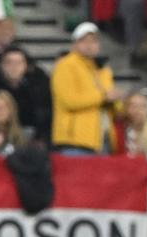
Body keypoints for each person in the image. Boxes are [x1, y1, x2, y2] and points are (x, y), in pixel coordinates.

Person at [51, 22, 122, 154]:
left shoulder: (102, 70)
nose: (89, 45)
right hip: (74, 141)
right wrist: (103, 96)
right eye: (84, 41)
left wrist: (116, 101)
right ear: (74, 44)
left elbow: (114, 104)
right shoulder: (65, 66)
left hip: (102, 140)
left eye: (94, 41)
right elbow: (69, 100)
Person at [0, 45, 51, 143]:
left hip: (30, 135)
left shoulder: (38, 87)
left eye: (19, 63)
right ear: (1, 66)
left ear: (26, 65)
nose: (14, 67)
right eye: (9, 63)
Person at [112, 89, 147, 155]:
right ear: (125, 108)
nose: (138, 110)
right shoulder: (118, 128)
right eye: (133, 106)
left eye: (142, 106)